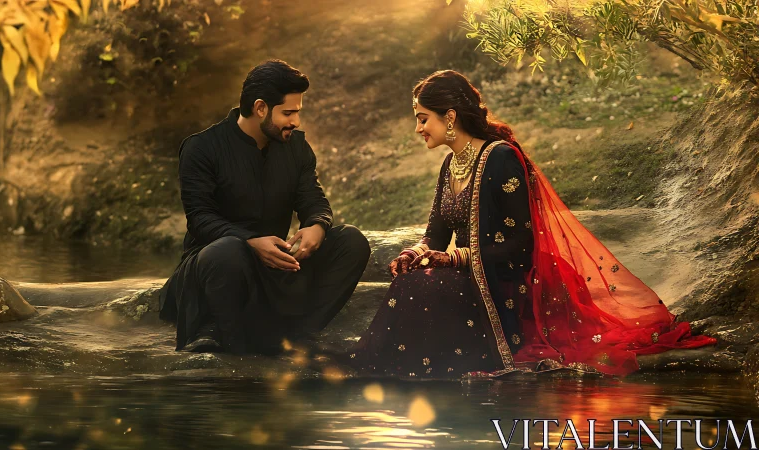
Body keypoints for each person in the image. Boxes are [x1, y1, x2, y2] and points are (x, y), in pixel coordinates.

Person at [336, 70, 715, 378]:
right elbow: (436, 232)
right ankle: (399, 376)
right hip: (471, 273)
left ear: (449, 116)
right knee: (412, 276)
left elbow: (521, 244)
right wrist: (416, 252)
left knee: (422, 286)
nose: (418, 129)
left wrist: (453, 260)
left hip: (507, 281)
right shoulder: (451, 164)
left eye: (423, 119)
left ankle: (402, 376)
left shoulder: (500, 159)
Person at [159, 60, 371, 355]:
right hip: (216, 265)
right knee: (227, 251)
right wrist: (250, 241)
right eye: (288, 112)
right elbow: (200, 219)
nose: (295, 121)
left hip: (277, 262)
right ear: (260, 108)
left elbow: (313, 198)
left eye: (297, 112)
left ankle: (300, 333)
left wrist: (317, 225)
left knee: (351, 240)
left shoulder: (296, 147)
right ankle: (214, 328)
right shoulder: (202, 148)